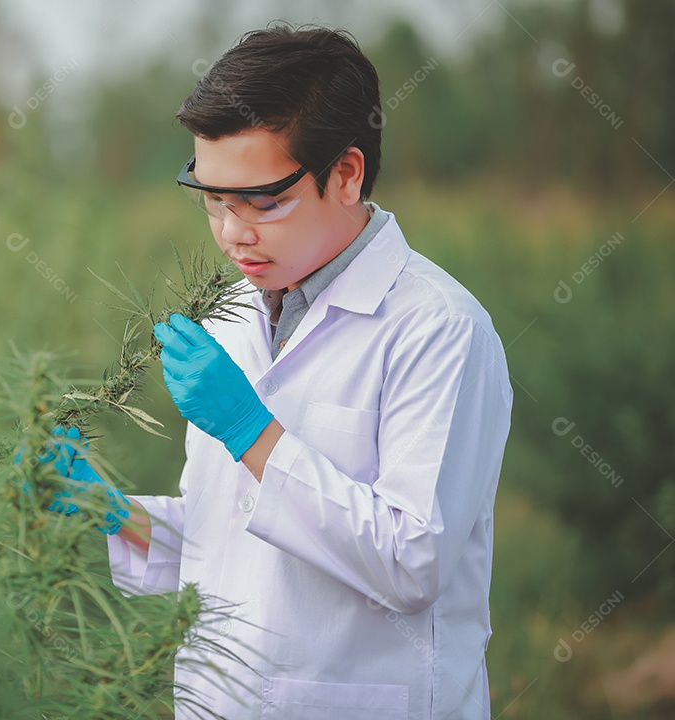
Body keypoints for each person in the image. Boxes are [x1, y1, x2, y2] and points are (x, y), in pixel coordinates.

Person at [39, 23, 513, 720]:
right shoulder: (233, 312)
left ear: (345, 174)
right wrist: (114, 514)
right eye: (212, 200)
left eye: (261, 202)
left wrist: (251, 431)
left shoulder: (439, 329)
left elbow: (413, 562)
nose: (234, 232)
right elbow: (237, 549)